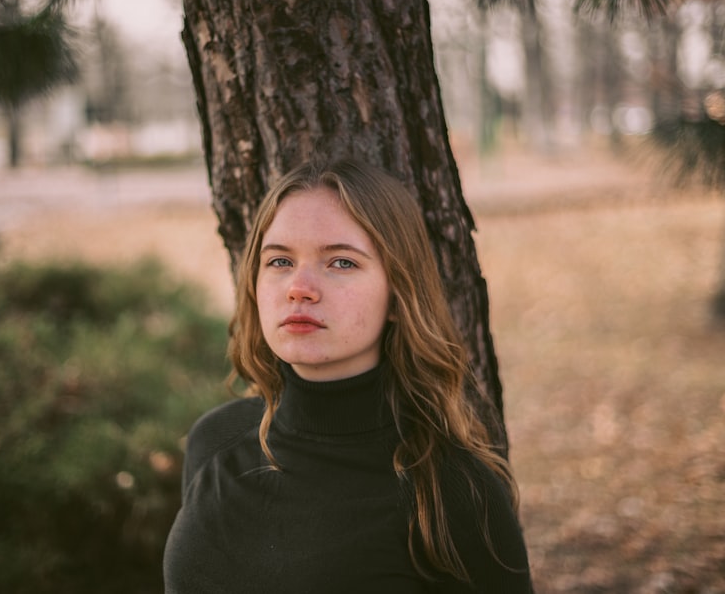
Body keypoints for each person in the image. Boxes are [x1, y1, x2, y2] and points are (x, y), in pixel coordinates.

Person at [163, 158, 532, 593]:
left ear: (398, 296)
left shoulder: (450, 489)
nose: (299, 287)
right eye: (279, 261)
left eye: (341, 263)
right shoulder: (216, 441)